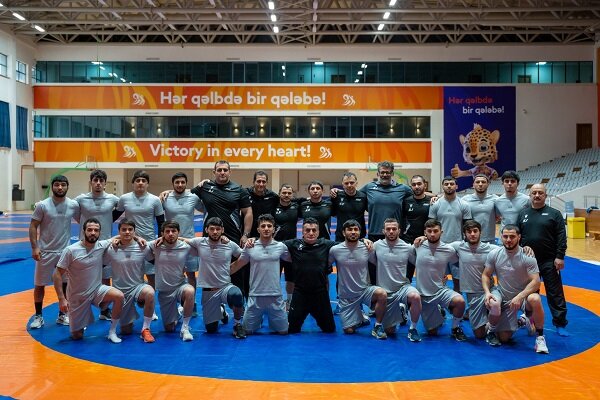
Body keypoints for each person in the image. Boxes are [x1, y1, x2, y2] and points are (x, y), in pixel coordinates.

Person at [52, 218, 125, 343]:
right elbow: (57, 274)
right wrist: (61, 299)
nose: (93, 233)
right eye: (89, 230)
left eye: (96, 230)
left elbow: (123, 235)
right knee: (77, 336)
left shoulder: (101, 245)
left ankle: (112, 332)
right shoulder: (71, 250)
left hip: (96, 290)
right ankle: (80, 322)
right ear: (83, 231)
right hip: (77, 296)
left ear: (99, 232)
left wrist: (138, 239)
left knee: (119, 296)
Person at [482, 224, 549, 354]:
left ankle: (540, 337)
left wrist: (520, 296)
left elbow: (536, 282)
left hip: (522, 297)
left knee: (535, 298)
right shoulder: (495, 253)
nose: (508, 240)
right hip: (504, 294)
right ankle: (517, 322)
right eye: (505, 236)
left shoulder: (527, 255)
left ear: (519, 237)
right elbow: (485, 274)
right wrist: (487, 292)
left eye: (512, 236)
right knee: (504, 338)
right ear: (501, 237)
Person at [190, 160, 253, 298]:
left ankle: (238, 304)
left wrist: (245, 234)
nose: (222, 172)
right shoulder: (205, 187)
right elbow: (185, 195)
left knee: (237, 272)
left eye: (225, 170)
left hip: (233, 236)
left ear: (230, 172)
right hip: (210, 237)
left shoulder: (239, 190)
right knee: (210, 269)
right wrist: (168, 192)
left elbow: (248, 212)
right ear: (214, 172)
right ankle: (215, 303)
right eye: (219, 170)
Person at [28, 175, 81, 329]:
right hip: (45, 251)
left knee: (65, 283)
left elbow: (83, 221)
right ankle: (38, 316)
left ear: (67, 186)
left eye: (63, 184)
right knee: (39, 284)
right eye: (57, 184)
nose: (60, 187)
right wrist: (34, 247)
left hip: (64, 251)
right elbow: (33, 225)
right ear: (52, 186)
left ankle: (63, 314)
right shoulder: (42, 205)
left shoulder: (73, 205)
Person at [517, 183, 569, 336]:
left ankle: (560, 323)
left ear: (545, 195)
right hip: (528, 261)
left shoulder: (554, 214)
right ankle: (530, 319)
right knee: (530, 293)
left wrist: (560, 256)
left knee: (555, 293)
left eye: (540, 192)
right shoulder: (523, 214)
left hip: (549, 260)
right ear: (530, 195)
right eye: (534, 193)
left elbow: (561, 236)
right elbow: (518, 236)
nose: (537, 195)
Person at [184, 217, 246, 339]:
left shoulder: (229, 244)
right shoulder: (199, 242)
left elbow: (244, 256)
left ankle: (237, 324)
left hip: (225, 287)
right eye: (212, 229)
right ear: (206, 230)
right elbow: (181, 240)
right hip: (209, 291)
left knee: (237, 294)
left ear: (222, 230)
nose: (215, 232)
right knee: (211, 330)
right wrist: (162, 239)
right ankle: (222, 312)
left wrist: (233, 268)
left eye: (218, 229)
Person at [231, 214, 289, 335]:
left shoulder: (281, 247)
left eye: (269, 226)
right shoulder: (250, 247)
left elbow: (297, 259)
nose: (266, 228)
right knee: (247, 331)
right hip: (255, 296)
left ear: (273, 229)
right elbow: (238, 264)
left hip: (275, 296)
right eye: (263, 226)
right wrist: (219, 274)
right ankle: (259, 319)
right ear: (258, 229)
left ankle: (265, 319)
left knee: (284, 331)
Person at [75, 169, 121, 320]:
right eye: (95, 180)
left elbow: (128, 203)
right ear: (91, 182)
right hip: (85, 245)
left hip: (105, 244)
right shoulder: (81, 199)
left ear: (105, 183)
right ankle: (82, 311)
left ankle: (104, 310)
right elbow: (67, 206)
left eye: (101, 181)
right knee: (83, 278)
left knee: (106, 278)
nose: (98, 183)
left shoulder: (112, 199)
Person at [329, 219, 387, 339]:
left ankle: (378, 325)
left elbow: (379, 264)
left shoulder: (367, 248)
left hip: (364, 291)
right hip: (346, 296)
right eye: (350, 229)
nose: (353, 232)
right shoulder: (335, 250)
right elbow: (325, 266)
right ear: (343, 232)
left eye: (356, 229)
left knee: (382, 294)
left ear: (360, 232)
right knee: (349, 331)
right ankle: (361, 318)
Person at [103, 219, 156, 343]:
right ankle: (130, 314)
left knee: (150, 292)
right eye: (124, 229)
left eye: (130, 229)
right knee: (126, 331)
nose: (127, 232)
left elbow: (156, 261)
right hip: (121, 292)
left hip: (138, 288)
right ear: (119, 232)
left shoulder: (143, 247)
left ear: (134, 231)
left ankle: (146, 329)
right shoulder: (111, 249)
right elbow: (100, 265)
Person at [448, 220, 500, 345]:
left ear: (480, 232)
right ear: (464, 234)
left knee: (494, 304)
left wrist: (525, 249)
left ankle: (493, 329)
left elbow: (509, 249)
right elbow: (438, 245)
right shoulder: (458, 246)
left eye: (475, 231)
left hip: (489, 290)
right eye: (469, 231)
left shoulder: (490, 248)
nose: (472, 234)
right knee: (479, 334)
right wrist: (423, 238)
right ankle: (491, 320)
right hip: (473, 294)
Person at [370, 218, 423, 342]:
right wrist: (364, 240)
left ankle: (413, 329)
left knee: (415, 297)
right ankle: (401, 310)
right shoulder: (376, 246)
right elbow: (369, 259)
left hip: (402, 288)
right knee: (390, 331)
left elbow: (420, 263)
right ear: (383, 231)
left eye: (394, 229)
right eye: (388, 229)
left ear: (399, 231)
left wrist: (423, 239)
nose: (391, 231)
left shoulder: (407, 247)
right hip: (385, 292)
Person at [414, 219, 467, 341]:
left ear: (441, 232)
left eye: (435, 231)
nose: (432, 234)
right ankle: (438, 310)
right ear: (425, 232)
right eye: (429, 231)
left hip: (440, 291)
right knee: (432, 333)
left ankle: (455, 328)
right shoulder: (417, 246)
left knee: (460, 301)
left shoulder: (449, 250)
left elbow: (458, 264)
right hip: (424, 295)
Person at [284, 217, 337, 334]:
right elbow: (272, 244)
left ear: (318, 232)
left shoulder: (326, 244)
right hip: (300, 293)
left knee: (330, 329)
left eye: (314, 230)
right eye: (307, 230)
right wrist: (254, 239)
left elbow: (347, 245)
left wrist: (364, 241)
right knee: (291, 329)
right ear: (302, 232)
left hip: (320, 293)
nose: (311, 233)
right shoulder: (293, 244)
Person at [162, 172, 204, 316]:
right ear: (172, 184)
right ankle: (175, 303)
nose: (180, 185)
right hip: (171, 243)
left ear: (186, 183)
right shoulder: (165, 198)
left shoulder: (193, 197)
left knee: (191, 274)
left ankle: (192, 304)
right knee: (174, 275)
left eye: (182, 182)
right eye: (177, 182)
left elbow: (206, 208)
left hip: (189, 242)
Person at [116, 170, 165, 290]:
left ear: (147, 184)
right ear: (133, 183)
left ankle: (150, 300)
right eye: (138, 180)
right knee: (132, 274)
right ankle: (134, 297)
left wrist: (159, 242)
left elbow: (161, 222)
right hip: (130, 243)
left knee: (151, 275)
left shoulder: (155, 200)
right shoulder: (124, 198)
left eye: (144, 181)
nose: (141, 183)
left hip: (149, 242)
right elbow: (113, 216)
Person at [148, 221, 196, 341]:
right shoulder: (155, 245)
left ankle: (185, 328)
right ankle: (178, 314)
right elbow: (138, 243)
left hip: (180, 286)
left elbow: (205, 244)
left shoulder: (186, 247)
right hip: (165, 291)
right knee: (169, 328)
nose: (170, 234)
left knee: (190, 291)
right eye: (167, 231)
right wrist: (117, 239)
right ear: (162, 233)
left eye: (173, 231)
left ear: (178, 232)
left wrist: (223, 238)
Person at [428, 176, 472, 292]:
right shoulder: (435, 204)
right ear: (442, 186)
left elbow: (467, 227)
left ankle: (458, 301)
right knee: (439, 279)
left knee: (458, 280)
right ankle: (439, 301)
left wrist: (466, 245)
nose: (449, 186)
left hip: (457, 247)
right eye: (446, 184)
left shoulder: (464, 204)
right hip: (439, 246)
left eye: (451, 184)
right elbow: (430, 226)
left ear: (456, 186)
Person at [273, 183, 300, 310]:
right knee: (274, 276)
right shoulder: (273, 206)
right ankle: (274, 300)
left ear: (292, 195)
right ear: (279, 194)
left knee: (291, 277)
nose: (286, 195)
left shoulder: (297, 206)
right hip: (275, 246)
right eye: (284, 193)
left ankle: (289, 301)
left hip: (291, 247)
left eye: (289, 193)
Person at [401, 174, 432, 282]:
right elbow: (401, 220)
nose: (416, 187)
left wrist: (426, 237)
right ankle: (406, 291)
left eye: (419, 184)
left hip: (426, 242)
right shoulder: (406, 201)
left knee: (425, 274)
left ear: (425, 185)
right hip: (408, 241)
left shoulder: (432, 201)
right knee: (406, 274)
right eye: (414, 184)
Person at [331, 172, 368, 242]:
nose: (349, 185)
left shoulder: (363, 197)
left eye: (352, 183)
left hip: (359, 235)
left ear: (356, 183)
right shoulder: (336, 196)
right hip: (341, 236)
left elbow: (372, 210)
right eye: (346, 183)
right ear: (342, 184)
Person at [462, 174, 498, 244]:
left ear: (488, 184)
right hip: (471, 239)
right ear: (473, 184)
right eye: (477, 182)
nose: (480, 184)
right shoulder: (465, 200)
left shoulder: (495, 199)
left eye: (483, 182)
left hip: (489, 239)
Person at [247, 171, 280, 238]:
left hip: (266, 233)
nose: (261, 184)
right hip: (248, 234)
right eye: (258, 181)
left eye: (264, 182)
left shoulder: (273, 196)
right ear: (253, 182)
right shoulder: (245, 194)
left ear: (267, 183)